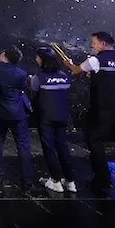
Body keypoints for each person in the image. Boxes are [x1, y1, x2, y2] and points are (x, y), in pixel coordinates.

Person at [59, 31, 115, 196]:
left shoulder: (95, 60)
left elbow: (75, 71)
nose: (92, 46)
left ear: (103, 43)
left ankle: (103, 179)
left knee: (94, 139)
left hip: (104, 107)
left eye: (94, 43)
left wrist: (68, 63)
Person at [0, 45, 34, 191]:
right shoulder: (21, 73)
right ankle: (27, 180)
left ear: (5, 55)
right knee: (23, 145)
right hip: (17, 113)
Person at [29, 47, 76, 194]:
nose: (36, 59)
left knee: (49, 148)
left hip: (46, 118)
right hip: (62, 116)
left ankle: (55, 180)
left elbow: (33, 96)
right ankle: (70, 181)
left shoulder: (38, 78)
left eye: (37, 57)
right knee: (62, 147)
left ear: (42, 59)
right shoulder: (65, 76)